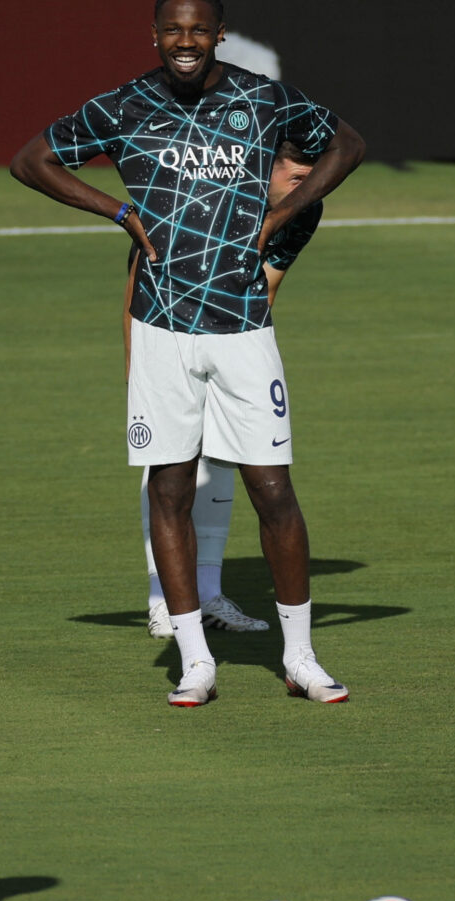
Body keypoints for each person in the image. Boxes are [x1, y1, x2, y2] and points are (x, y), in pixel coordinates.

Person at [11, 0, 365, 706]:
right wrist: (117, 210)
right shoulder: (124, 105)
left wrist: (285, 210)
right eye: (172, 30)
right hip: (162, 329)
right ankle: (194, 659)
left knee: (274, 491)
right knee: (169, 489)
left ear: (217, 36)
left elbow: (346, 143)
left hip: (242, 329)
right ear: (155, 36)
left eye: (198, 30)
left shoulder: (263, 98)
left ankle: (299, 656)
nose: (185, 42)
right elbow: (31, 161)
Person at [134, 141, 324, 639]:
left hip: (233, 332)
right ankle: (161, 601)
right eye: (297, 179)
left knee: (224, 453)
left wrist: (242, 364)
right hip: (163, 320)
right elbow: (138, 280)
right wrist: (139, 364)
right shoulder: (195, 194)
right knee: (170, 456)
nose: (306, 192)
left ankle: (210, 593)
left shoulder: (302, 211)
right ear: (263, 167)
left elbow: (266, 287)